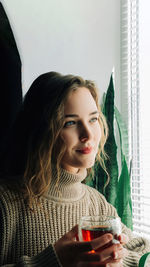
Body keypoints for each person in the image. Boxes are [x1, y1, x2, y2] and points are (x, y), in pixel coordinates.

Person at [0, 72, 150, 267]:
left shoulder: (97, 203)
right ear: (42, 130)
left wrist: (118, 259)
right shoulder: (5, 203)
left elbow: (143, 249)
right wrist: (53, 262)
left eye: (93, 119)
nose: (88, 134)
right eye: (70, 123)